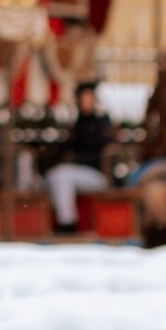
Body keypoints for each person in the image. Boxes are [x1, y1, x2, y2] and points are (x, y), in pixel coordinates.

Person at [47, 84, 118, 236]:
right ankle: (54, 222)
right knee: (53, 176)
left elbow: (103, 153)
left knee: (62, 176)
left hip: (96, 173)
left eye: (89, 98)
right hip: (77, 173)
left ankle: (68, 223)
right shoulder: (77, 124)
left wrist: (77, 159)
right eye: (83, 99)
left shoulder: (101, 124)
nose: (86, 102)